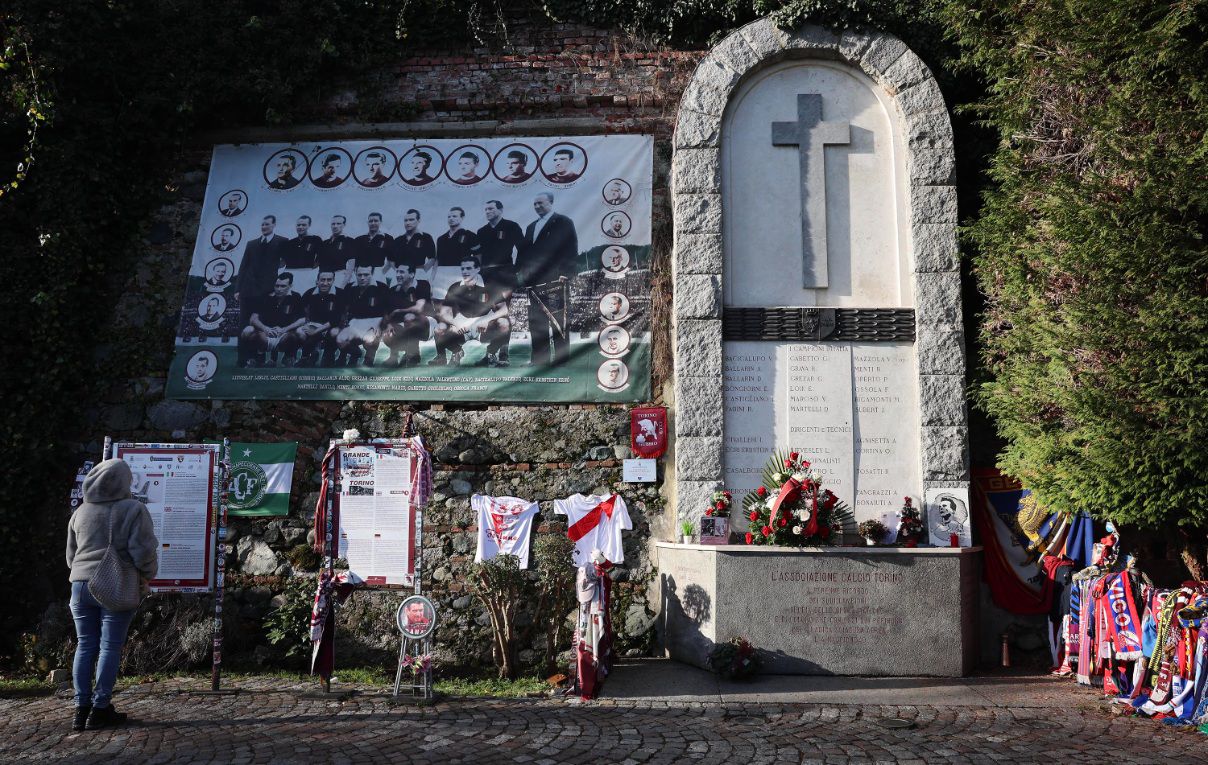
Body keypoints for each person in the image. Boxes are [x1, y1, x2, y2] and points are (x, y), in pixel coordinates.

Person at [66, 458, 158, 731]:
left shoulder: (81, 512)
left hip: (80, 585)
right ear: (122, 481)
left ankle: (80, 709)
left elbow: (71, 556)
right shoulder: (133, 509)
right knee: (109, 646)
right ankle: (100, 708)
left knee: (85, 645)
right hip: (115, 583)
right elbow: (142, 552)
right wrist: (147, 575)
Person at [518, 192, 578, 365]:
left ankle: (561, 360)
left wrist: (566, 272)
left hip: (555, 279)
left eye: (540, 203)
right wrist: (522, 273)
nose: (537, 206)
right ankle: (539, 359)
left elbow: (571, 248)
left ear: (551, 202)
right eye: (535, 204)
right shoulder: (531, 227)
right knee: (537, 322)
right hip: (534, 281)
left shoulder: (564, 222)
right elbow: (525, 253)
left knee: (558, 320)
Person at [431, 256, 510, 367]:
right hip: (463, 326)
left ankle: (490, 355)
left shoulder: (489, 286)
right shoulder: (455, 287)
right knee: (439, 328)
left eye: (468, 268)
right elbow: (444, 312)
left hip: (483, 327)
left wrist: (486, 320)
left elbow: (504, 309)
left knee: (504, 323)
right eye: (463, 269)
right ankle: (455, 352)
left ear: (477, 269)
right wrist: (456, 323)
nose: (465, 272)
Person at [234, 215, 287, 364]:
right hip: (248, 291)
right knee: (244, 324)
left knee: (262, 323)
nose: (264, 227)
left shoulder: (282, 241)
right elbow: (243, 266)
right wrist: (238, 289)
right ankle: (242, 358)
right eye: (262, 224)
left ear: (274, 225)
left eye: (267, 224)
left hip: (267, 292)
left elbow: (287, 261)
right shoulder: (251, 244)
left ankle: (259, 357)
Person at [238, 273, 304, 367]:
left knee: (301, 332)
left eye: (283, 286)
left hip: (285, 335)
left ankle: (289, 356)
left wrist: (285, 329)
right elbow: (253, 319)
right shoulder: (265, 296)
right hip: (265, 334)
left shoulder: (296, 297)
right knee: (247, 330)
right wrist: (266, 329)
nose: (279, 289)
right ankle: (253, 357)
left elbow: (302, 319)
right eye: (277, 286)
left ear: (290, 286)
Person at [380, 263, 434, 367]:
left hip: (426, 324)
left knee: (409, 318)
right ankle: (393, 356)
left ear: (412, 274)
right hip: (405, 325)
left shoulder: (422, 285)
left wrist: (398, 311)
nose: (398, 275)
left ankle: (412, 354)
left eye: (402, 272)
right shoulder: (393, 290)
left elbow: (419, 308)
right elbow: (387, 312)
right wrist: (389, 324)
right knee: (388, 333)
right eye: (397, 272)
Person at [336, 265, 387, 366]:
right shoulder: (349, 287)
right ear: (355, 274)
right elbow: (344, 309)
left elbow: (386, 311)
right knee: (340, 339)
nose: (362, 277)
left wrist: (380, 326)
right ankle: (354, 353)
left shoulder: (382, 288)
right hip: (355, 323)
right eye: (359, 275)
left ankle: (369, 357)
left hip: (374, 323)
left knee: (370, 340)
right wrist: (342, 325)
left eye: (366, 274)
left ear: (372, 274)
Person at [293, 270, 341, 367]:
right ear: (317, 281)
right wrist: (307, 324)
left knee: (335, 332)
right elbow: (300, 312)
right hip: (313, 325)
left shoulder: (340, 294)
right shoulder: (309, 293)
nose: (325, 283)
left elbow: (336, 319)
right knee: (300, 331)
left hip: (331, 326)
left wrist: (317, 330)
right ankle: (306, 356)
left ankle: (328, 356)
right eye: (322, 280)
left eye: (329, 280)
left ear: (333, 280)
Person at [435, 207, 479, 297]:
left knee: (458, 299)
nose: (451, 218)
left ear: (462, 217)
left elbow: (478, 256)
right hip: (442, 274)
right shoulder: (441, 239)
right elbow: (437, 260)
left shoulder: (470, 235)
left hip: (460, 272)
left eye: (454, 216)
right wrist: (433, 277)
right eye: (449, 217)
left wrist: (476, 274)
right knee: (440, 299)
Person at [392, 208, 437, 277]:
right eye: (406, 220)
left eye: (411, 220)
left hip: (417, 274)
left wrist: (424, 270)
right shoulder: (398, 240)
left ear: (418, 221)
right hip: (399, 275)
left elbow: (432, 258)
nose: (408, 223)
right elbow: (392, 259)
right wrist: (396, 270)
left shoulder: (426, 237)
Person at [354, 212, 394, 281]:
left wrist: (381, 272)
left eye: (376, 221)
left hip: (377, 273)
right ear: (368, 223)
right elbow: (354, 260)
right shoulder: (359, 239)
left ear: (380, 222)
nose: (373, 223)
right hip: (361, 274)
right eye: (370, 221)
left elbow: (390, 261)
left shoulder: (387, 238)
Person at [317, 214, 354, 288]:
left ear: (344, 225)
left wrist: (344, 284)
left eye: (338, 223)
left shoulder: (349, 241)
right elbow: (320, 264)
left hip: (339, 276)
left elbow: (351, 266)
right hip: (324, 278)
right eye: (333, 224)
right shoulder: (325, 243)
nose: (335, 226)